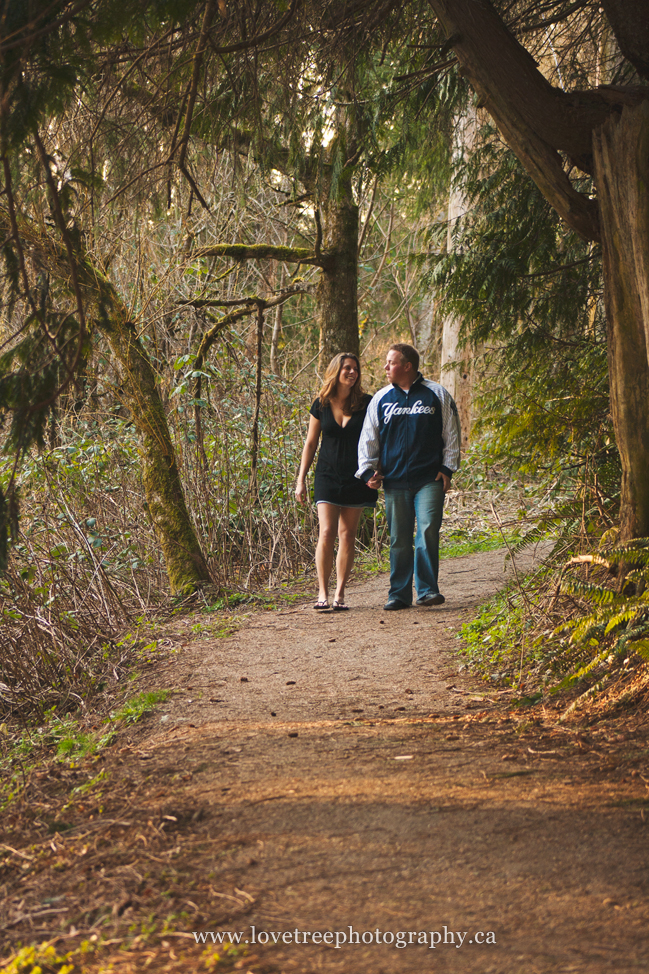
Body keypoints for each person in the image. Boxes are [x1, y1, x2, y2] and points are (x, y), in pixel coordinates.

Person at [356, 343, 460, 611]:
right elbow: (368, 438)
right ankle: (399, 594)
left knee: (427, 532)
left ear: (407, 366)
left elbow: (451, 434)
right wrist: (368, 471)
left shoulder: (436, 394)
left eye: (390, 362)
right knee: (399, 538)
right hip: (395, 481)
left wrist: (448, 469)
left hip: (429, 479)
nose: (385, 367)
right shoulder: (381, 399)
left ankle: (426, 591)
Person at [296, 352, 378, 611]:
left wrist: (377, 471)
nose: (352, 373)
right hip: (327, 475)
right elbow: (310, 443)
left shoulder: (367, 403)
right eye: (347, 369)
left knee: (347, 535)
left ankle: (340, 593)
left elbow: (378, 439)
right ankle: (322, 591)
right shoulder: (320, 403)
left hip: (357, 477)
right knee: (327, 532)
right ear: (336, 371)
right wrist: (300, 480)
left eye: (355, 369)